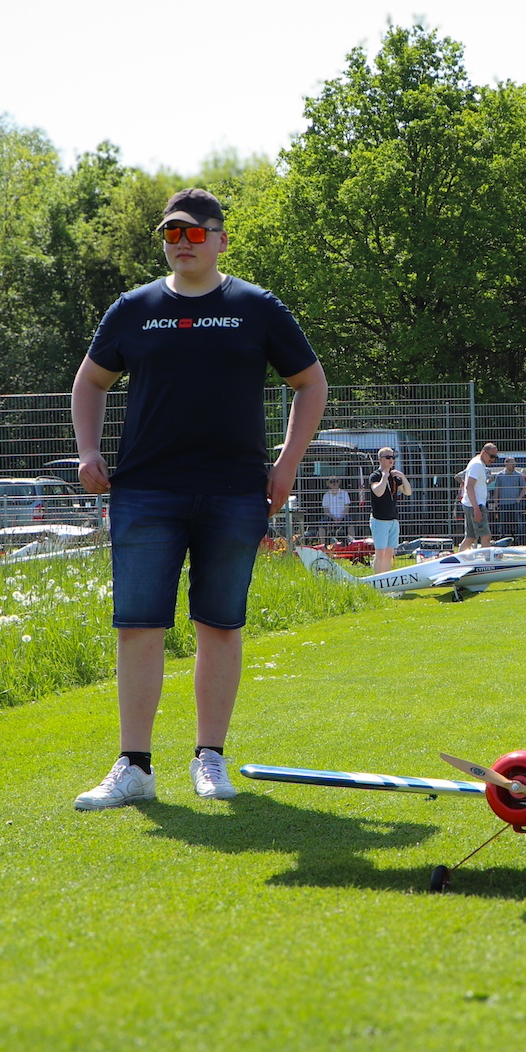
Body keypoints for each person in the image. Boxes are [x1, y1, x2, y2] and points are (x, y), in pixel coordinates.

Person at [71, 186, 328, 808]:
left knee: (219, 623)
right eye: (171, 233)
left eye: (193, 232)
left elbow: (310, 383)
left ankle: (210, 758)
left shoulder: (256, 307)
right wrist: (88, 450)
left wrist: (287, 464)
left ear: (221, 240)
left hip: (234, 491)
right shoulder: (133, 308)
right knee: (138, 625)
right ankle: (135, 767)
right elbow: (91, 381)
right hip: (145, 490)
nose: (180, 243)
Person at [366, 445, 409, 573]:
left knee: (389, 553)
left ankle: (386, 578)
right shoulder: (375, 476)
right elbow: (378, 492)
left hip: (393, 520)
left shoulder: (394, 477)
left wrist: (402, 477)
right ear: (380, 459)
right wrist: (384, 476)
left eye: (393, 457)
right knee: (380, 552)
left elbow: (408, 492)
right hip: (379, 520)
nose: (391, 460)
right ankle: (377, 579)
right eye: (388, 457)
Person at [459, 443, 498, 549]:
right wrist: (477, 509)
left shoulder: (478, 463)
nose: (493, 460)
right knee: (486, 536)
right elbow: (469, 486)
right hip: (475, 506)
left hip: (471, 505)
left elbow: (476, 485)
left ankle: (459, 558)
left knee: (470, 537)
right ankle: (486, 559)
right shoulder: (477, 465)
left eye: (495, 457)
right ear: (484, 453)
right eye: (492, 456)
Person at [491, 457, 526, 542]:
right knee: (503, 523)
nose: (514, 466)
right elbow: (496, 489)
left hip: (515, 504)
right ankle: (502, 540)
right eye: (512, 464)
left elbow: (524, 488)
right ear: (506, 464)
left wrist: (519, 499)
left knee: (518, 522)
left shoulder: (518, 475)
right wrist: (496, 503)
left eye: (514, 464)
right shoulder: (500, 475)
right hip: (503, 504)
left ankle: (520, 540)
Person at [320, 478, 350, 542]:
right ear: (328, 484)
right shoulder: (326, 495)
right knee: (321, 525)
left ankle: (353, 544)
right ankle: (322, 544)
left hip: (343, 516)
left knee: (351, 524)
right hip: (330, 517)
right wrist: (334, 518)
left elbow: (347, 508)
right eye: (331, 482)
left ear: (339, 483)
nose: (334, 483)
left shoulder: (344, 493)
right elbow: (326, 511)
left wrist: (341, 518)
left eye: (336, 481)